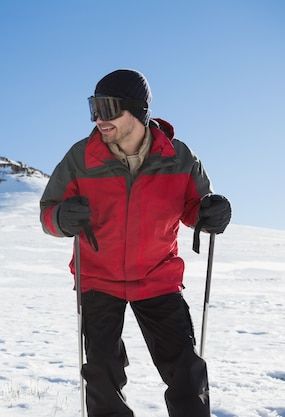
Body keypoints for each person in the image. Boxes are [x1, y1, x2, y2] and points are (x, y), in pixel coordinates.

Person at [39, 69, 231, 417]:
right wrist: (61, 218)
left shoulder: (179, 157)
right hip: (98, 279)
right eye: (94, 108)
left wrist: (211, 212)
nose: (99, 118)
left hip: (157, 277)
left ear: (138, 110)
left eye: (108, 108)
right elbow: (47, 213)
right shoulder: (81, 157)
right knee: (101, 373)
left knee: (186, 370)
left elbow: (196, 208)